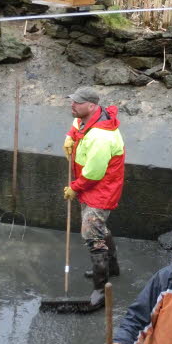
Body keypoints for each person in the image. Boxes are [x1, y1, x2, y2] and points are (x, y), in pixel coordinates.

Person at [62, 86, 125, 309]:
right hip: (91, 187)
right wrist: (70, 136)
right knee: (98, 228)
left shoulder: (101, 136)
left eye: (77, 103)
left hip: (100, 189)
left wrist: (75, 187)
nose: (72, 105)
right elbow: (76, 125)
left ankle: (100, 288)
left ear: (91, 106)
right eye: (73, 100)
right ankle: (113, 267)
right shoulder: (86, 118)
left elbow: (95, 173)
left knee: (92, 234)